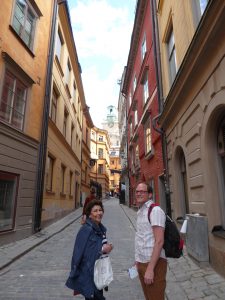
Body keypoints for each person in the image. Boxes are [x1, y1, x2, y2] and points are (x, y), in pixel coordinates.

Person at [66, 200, 113, 300]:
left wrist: (107, 247)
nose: (99, 213)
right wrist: (103, 249)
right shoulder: (86, 229)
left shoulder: (100, 228)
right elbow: (79, 252)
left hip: (98, 271)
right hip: (90, 273)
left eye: (100, 210)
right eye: (95, 211)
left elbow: (95, 246)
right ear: (90, 215)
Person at [135, 182, 167, 300]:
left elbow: (159, 241)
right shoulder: (140, 211)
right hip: (142, 262)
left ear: (149, 194)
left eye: (142, 191)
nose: (138, 194)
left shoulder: (155, 211)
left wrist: (150, 269)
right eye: (137, 191)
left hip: (155, 264)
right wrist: (137, 260)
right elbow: (142, 238)